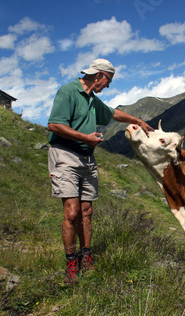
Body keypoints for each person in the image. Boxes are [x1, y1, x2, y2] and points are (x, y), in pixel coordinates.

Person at [47, 58, 153, 284]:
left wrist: (138, 120)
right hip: (65, 155)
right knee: (72, 212)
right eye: (109, 81)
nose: (108, 86)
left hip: (87, 158)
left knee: (87, 211)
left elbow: (114, 113)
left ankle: (86, 256)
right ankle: (71, 263)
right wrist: (85, 137)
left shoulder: (93, 101)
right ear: (100, 76)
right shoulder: (68, 92)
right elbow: (55, 125)